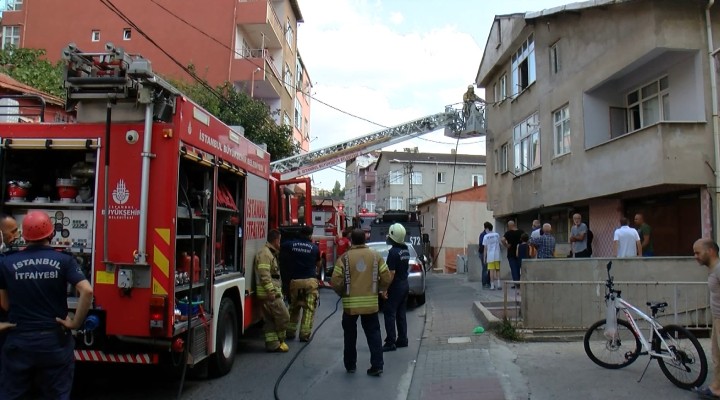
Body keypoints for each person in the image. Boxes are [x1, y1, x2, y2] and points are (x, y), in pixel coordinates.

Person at [0, 211, 93, 400]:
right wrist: (74, 323)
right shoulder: (64, 260)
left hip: (20, 340)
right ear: (51, 234)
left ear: (24, 235)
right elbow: (87, 291)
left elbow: (5, 303)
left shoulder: (7, 262)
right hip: (54, 341)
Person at [331, 229, 391, 377]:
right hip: (370, 304)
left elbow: (335, 281)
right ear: (365, 240)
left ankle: (350, 365)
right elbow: (386, 277)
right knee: (374, 334)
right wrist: (382, 290)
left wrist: (342, 293)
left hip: (350, 306)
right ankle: (377, 366)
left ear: (351, 240)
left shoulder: (344, 258)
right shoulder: (375, 256)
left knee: (350, 336)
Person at [253, 229, 290, 352]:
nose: (280, 243)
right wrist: (271, 291)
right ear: (275, 240)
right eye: (279, 240)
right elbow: (264, 274)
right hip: (269, 295)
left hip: (268, 294)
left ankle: (272, 345)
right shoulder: (265, 254)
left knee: (270, 321)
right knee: (284, 316)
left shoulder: (270, 253)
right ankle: (280, 339)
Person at [283, 225, 321, 342]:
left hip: (295, 282)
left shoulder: (290, 245)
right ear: (310, 235)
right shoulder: (314, 248)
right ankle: (304, 335)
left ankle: (289, 332)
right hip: (310, 282)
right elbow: (318, 264)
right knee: (309, 309)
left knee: (294, 307)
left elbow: (281, 247)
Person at [693, 238, 720, 398]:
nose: (695, 256)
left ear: (710, 251)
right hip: (717, 318)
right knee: (717, 356)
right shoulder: (713, 269)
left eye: (697, 252)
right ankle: (717, 387)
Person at [382, 223, 409, 352]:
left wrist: (385, 288)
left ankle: (390, 342)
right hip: (404, 284)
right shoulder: (405, 250)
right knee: (401, 313)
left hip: (396, 286)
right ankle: (403, 339)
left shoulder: (393, 252)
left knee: (389, 313)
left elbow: (391, 273)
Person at [501, 220, 524, 288]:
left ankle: (516, 283)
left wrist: (506, 245)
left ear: (509, 226)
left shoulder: (508, 233)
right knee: (520, 268)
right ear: (514, 225)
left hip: (511, 253)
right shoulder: (521, 232)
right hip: (520, 252)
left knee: (514, 268)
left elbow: (502, 239)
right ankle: (519, 282)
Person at [482, 223, 502, 290]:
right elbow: (499, 243)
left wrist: (484, 258)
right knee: (498, 270)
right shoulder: (497, 234)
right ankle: (499, 284)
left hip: (490, 256)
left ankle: (492, 285)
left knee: (491, 271)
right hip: (497, 255)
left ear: (487, 228)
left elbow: (485, 248)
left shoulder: (485, 236)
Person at [478, 222, 492, 289]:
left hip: (488, 252)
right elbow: (482, 244)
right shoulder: (483, 235)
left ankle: (488, 282)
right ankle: (485, 283)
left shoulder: (487, 235)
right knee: (485, 268)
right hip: (483, 253)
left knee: (489, 268)